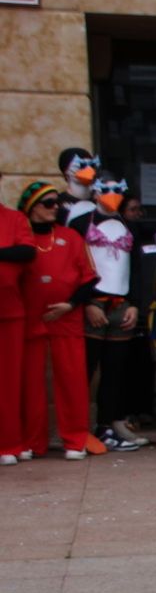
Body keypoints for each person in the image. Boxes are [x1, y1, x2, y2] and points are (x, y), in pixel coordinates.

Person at [16, 182, 97, 461]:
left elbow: (89, 279)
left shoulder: (72, 237)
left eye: (56, 203)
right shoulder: (21, 237)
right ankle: (31, 441)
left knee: (72, 380)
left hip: (67, 318)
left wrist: (70, 304)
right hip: (30, 320)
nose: (55, 208)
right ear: (31, 207)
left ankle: (75, 440)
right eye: (48, 203)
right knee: (30, 384)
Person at [80, 174, 146, 451]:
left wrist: (135, 303)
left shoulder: (130, 226)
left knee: (115, 371)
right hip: (93, 303)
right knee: (84, 371)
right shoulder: (80, 223)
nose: (112, 195)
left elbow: (139, 268)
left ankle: (107, 426)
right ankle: (77, 428)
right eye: (105, 190)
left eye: (117, 190)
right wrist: (86, 302)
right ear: (95, 192)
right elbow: (75, 264)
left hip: (122, 303)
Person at [0, 191, 33, 465]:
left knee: (10, 382)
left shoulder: (14, 219)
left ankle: (11, 442)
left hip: (9, 312)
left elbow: (26, 251)